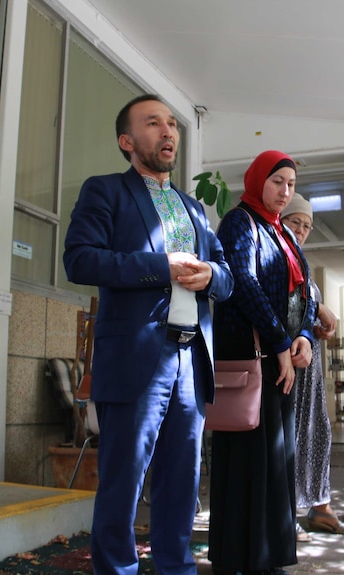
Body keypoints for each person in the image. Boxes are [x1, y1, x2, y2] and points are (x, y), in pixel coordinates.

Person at [62, 94, 234, 575]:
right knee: (123, 483)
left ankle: (176, 568)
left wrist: (210, 278)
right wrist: (162, 267)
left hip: (189, 360)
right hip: (137, 359)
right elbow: (79, 259)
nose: (168, 131)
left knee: (182, 482)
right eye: (153, 123)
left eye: (172, 123)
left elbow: (226, 275)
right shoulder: (105, 191)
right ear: (127, 140)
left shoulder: (194, 209)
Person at [209, 150, 316, 575]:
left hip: (281, 360)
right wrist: (278, 344)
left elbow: (306, 289)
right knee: (249, 457)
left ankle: (269, 554)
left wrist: (304, 336)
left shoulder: (283, 234)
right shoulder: (241, 221)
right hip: (254, 356)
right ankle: (240, 556)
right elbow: (243, 282)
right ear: (257, 180)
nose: (284, 192)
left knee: (278, 459)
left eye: (290, 184)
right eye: (277, 182)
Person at [279, 193, 344, 540]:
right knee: (291, 436)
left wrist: (320, 315)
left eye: (307, 225)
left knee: (317, 432)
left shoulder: (299, 259)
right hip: (286, 360)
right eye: (296, 221)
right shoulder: (275, 252)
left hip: (309, 364)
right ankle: (285, 512)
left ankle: (320, 505)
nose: (302, 229)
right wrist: (322, 309)